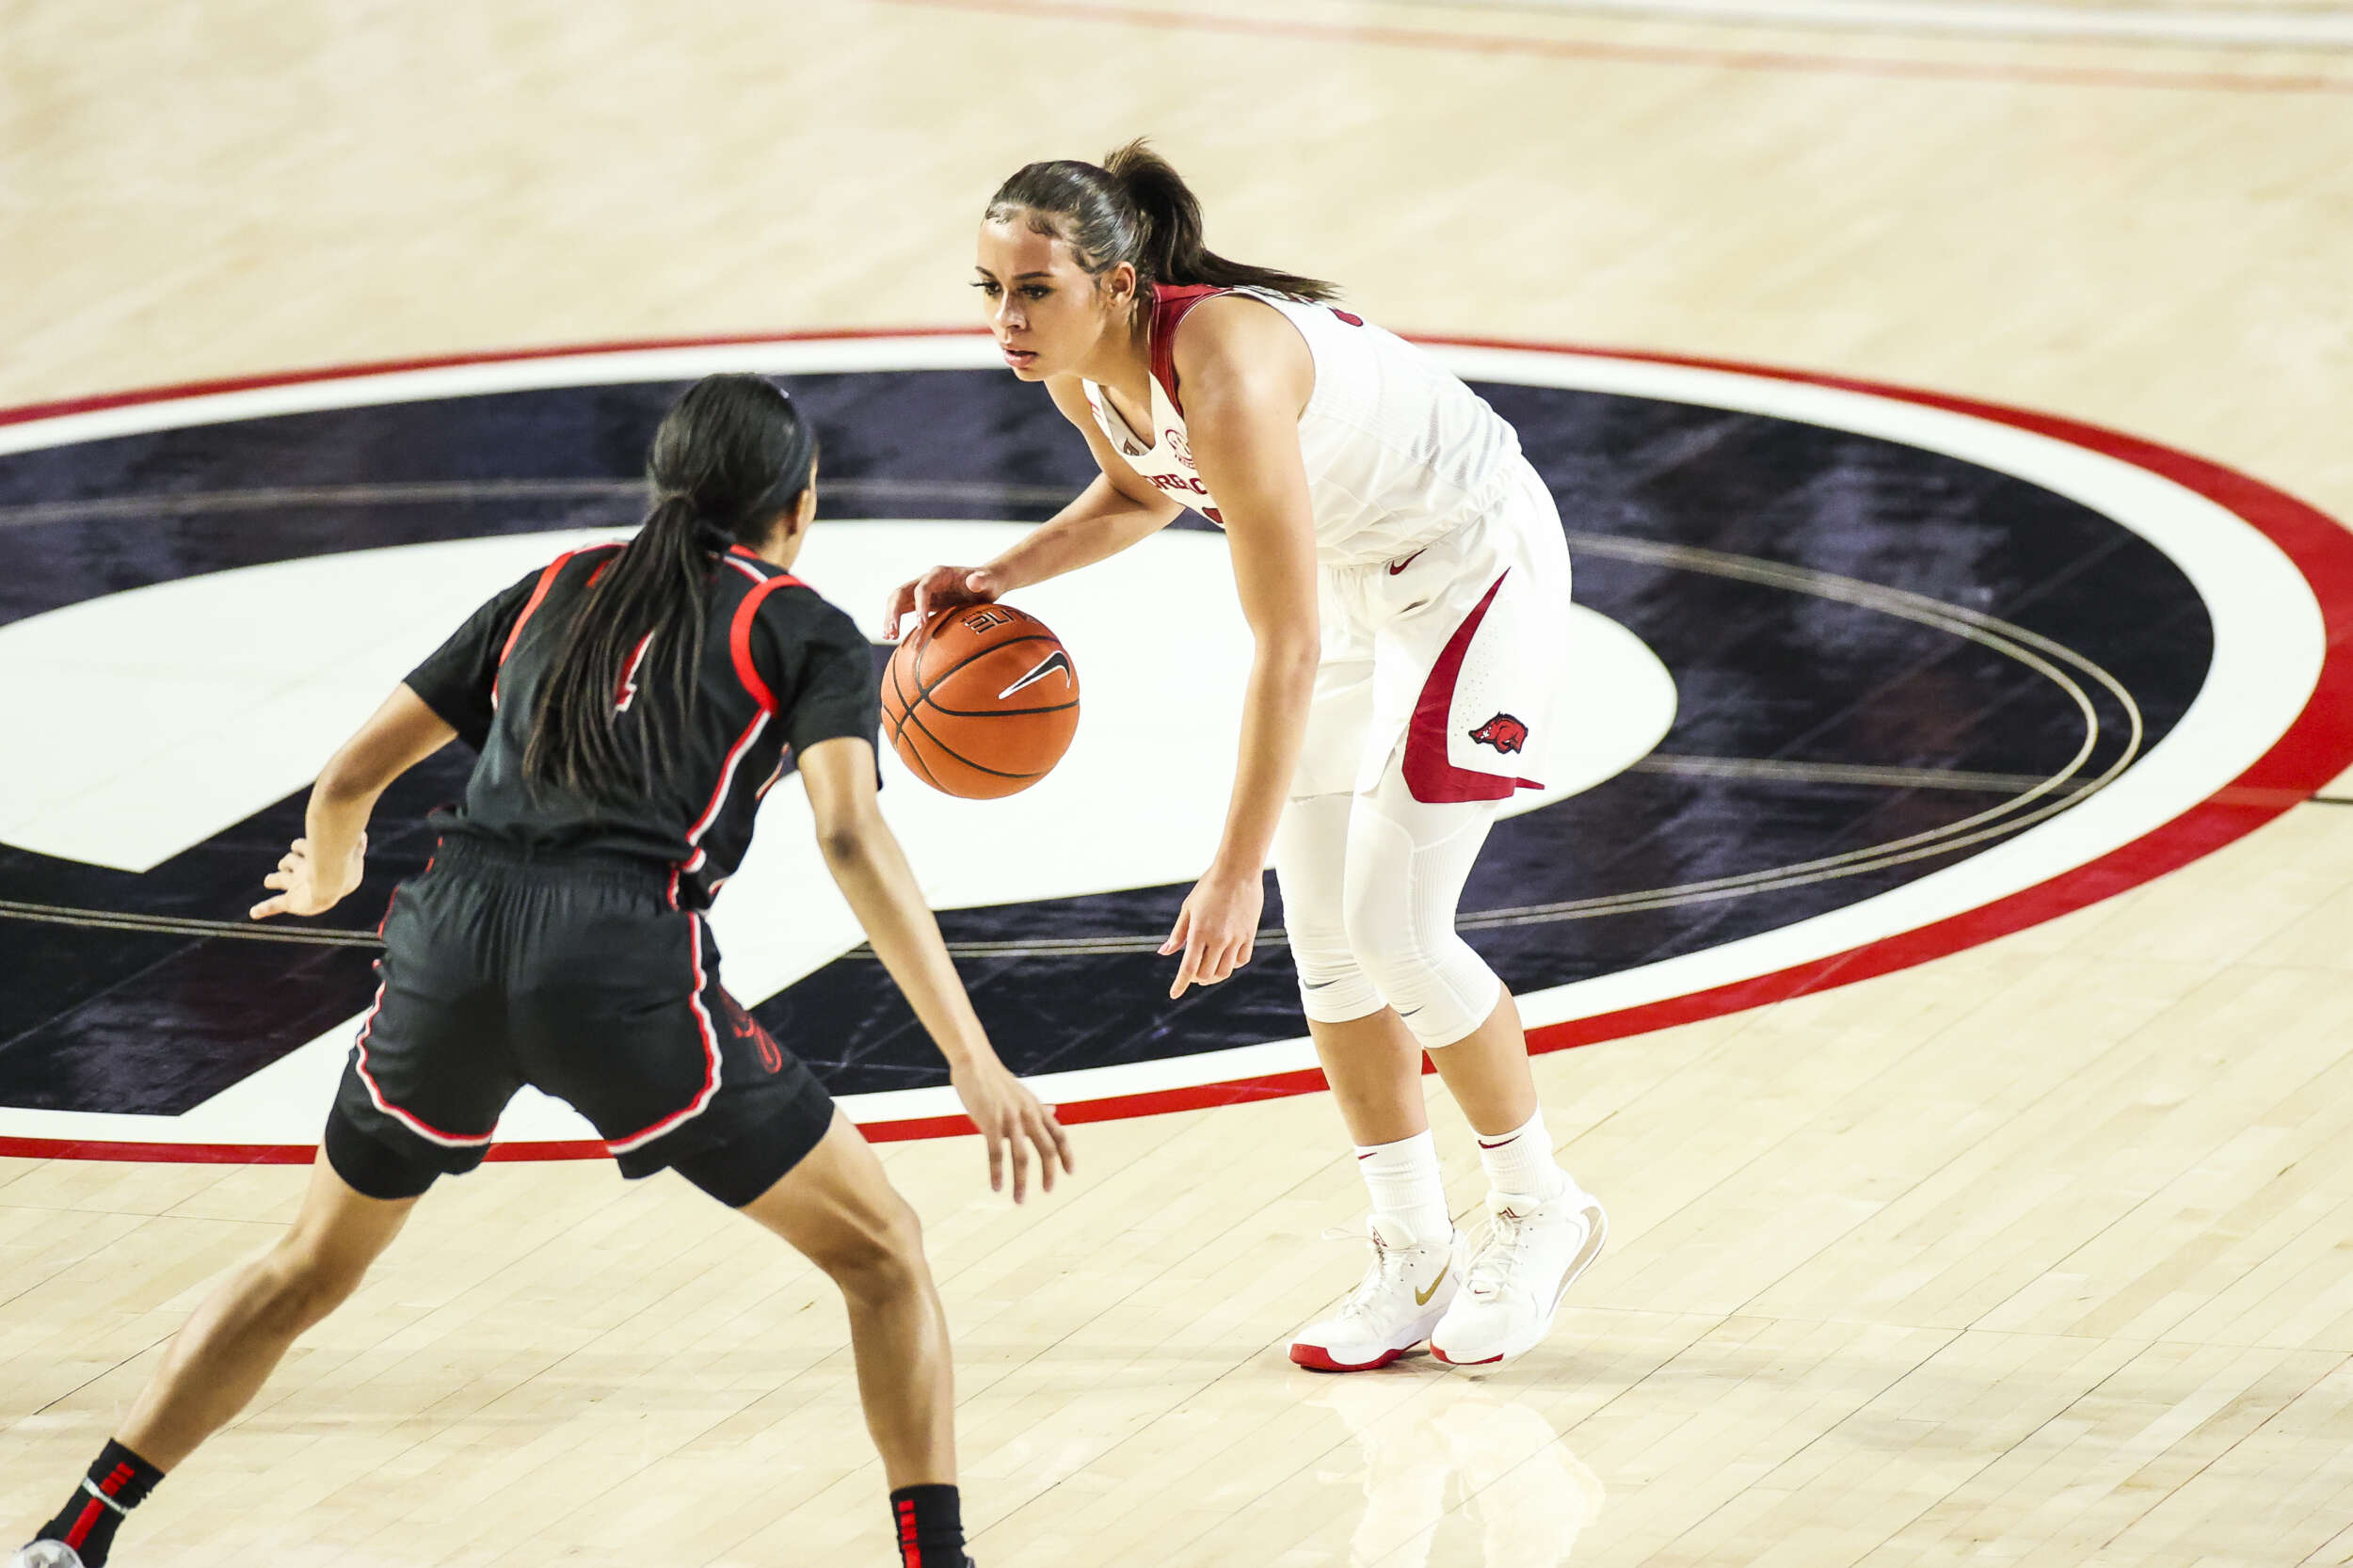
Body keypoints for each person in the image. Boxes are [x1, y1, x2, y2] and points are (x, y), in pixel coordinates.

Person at [12, 375, 1069, 1568]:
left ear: (664, 483)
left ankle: (76, 1532)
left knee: (308, 1265)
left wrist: (326, 874)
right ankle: (939, 1560)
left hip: (447, 943)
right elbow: (844, 830)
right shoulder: (800, 629)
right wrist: (972, 1058)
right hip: (615, 964)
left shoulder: (556, 585)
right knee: (881, 1254)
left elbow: (352, 773)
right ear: (801, 504)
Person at [884, 142, 1605, 1374]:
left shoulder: (1223, 366)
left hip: (1470, 561)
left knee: (1401, 929)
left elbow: (1282, 648)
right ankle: (1412, 1247)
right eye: (990, 289)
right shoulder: (1081, 373)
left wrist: (1229, 870)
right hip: (1350, 569)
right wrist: (999, 574)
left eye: (1034, 291)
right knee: (1328, 943)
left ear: (1116, 284)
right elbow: (1140, 490)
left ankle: (1543, 1207)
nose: (1006, 319)